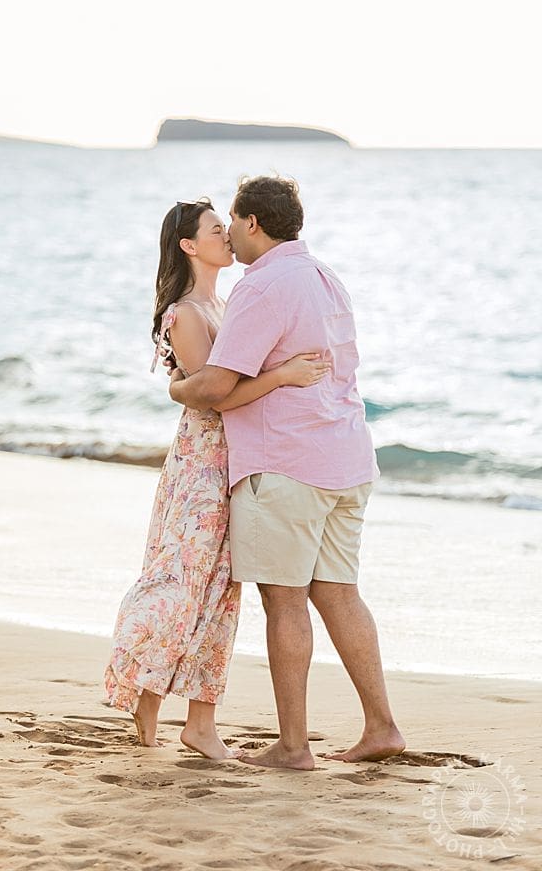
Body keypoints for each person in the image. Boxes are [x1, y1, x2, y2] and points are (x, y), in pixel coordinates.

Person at [169, 176, 405, 770]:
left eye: (232, 221)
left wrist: (176, 387)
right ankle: (382, 727)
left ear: (252, 223)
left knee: (285, 602)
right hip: (346, 459)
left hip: (287, 465)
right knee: (340, 595)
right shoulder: (327, 278)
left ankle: (294, 747)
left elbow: (217, 389)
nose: (230, 233)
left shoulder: (262, 286)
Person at [105, 199, 328, 758]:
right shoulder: (185, 314)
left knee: (222, 592)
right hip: (205, 466)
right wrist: (283, 376)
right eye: (214, 230)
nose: (227, 235)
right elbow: (216, 400)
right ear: (188, 245)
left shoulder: (225, 303)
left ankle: (199, 721)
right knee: (180, 581)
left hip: (240, 460)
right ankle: (145, 691)